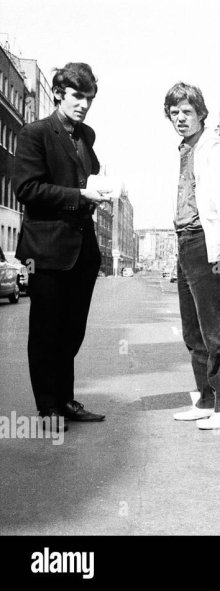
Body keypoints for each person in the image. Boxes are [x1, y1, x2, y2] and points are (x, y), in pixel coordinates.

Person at [12, 62, 110, 429]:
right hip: (46, 251)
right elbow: (27, 189)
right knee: (46, 331)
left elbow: (90, 176)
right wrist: (80, 194)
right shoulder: (34, 133)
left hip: (82, 251)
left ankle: (66, 401)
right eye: (78, 96)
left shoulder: (87, 136)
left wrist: (101, 191)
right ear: (58, 93)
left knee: (72, 329)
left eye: (89, 98)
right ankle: (48, 408)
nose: (84, 104)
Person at [164, 82, 220, 430]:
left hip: (205, 241)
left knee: (216, 328)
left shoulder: (214, 150)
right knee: (193, 330)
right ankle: (205, 399)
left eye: (187, 112)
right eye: (174, 113)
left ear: (202, 113)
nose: (181, 119)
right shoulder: (188, 149)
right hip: (185, 241)